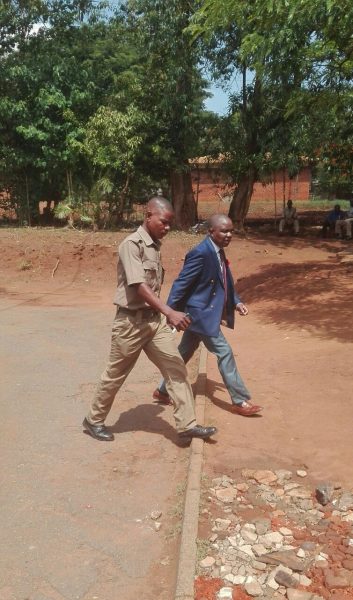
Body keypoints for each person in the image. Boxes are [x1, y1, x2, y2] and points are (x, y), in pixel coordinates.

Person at [83, 197, 217, 442]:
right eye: (163, 222)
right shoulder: (131, 244)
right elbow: (138, 286)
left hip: (153, 323)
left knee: (175, 367)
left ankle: (187, 424)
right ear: (148, 215)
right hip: (130, 324)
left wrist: (163, 313)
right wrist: (170, 312)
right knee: (115, 375)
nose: (167, 228)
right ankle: (93, 420)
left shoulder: (154, 245)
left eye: (169, 225)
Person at [153, 214, 263, 417]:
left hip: (200, 315)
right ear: (211, 231)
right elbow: (181, 283)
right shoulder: (201, 253)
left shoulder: (218, 251)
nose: (229, 234)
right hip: (200, 315)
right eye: (224, 231)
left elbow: (225, 279)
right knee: (224, 352)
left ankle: (162, 391)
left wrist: (236, 301)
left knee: (184, 352)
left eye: (231, 230)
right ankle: (239, 400)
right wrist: (169, 312)